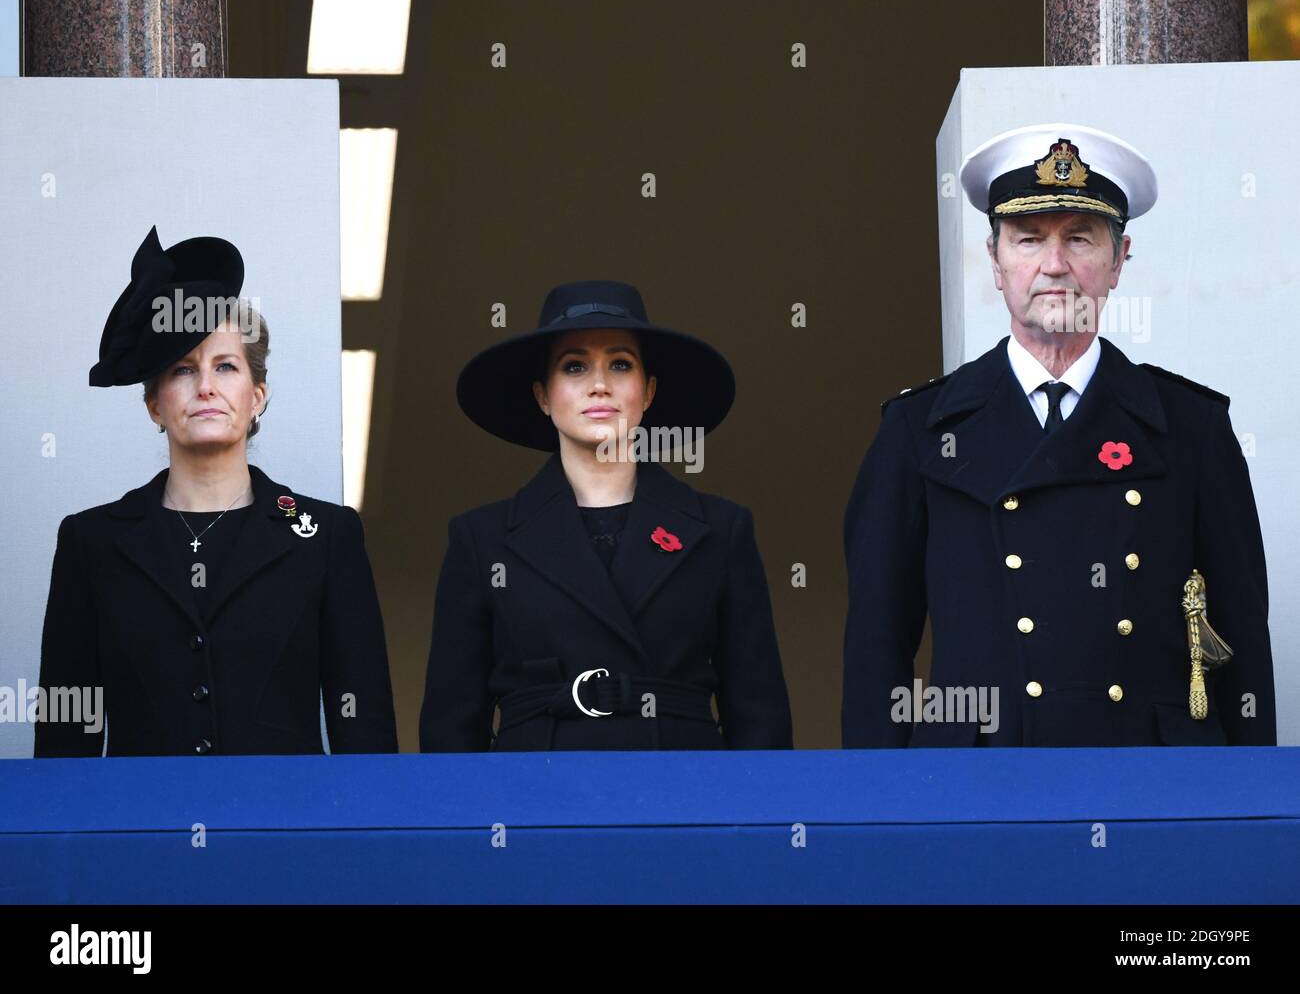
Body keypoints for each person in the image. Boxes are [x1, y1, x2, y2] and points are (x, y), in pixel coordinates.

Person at [842, 124, 1276, 748]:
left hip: (1146, 785)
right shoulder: (919, 430)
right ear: (994, 262)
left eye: (1080, 238)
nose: (1054, 265)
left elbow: (1241, 645)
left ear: (1119, 260)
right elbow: (877, 651)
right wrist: (881, 815)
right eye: (1028, 239)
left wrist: (1244, 811)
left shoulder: (1191, 428)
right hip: (981, 785)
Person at [35, 226, 397, 757]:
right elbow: (64, 742)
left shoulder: (326, 536)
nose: (205, 385)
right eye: (183, 370)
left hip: (283, 831)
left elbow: (364, 732)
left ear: (258, 395)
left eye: (225, 366)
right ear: (154, 404)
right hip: (139, 833)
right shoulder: (90, 543)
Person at [420, 280, 793, 751]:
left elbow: (760, 716)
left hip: (685, 798)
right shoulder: (481, 539)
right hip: (532, 801)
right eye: (574, 366)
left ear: (649, 390)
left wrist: (746, 821)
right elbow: (450, 727)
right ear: (542, 396)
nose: (599, 384)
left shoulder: (721, 530)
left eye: (620, 364)